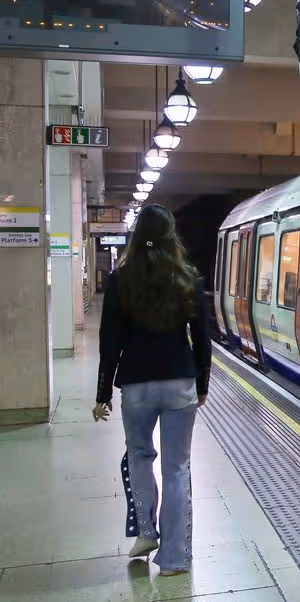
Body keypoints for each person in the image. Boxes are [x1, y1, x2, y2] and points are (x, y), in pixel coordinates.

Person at [92, 204, 211, 577]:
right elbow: (202, 339)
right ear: (170, 235)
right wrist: (202, 383)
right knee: (177, 469)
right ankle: (175, 559)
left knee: (139, 456)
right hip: (179, 382)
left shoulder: (121, 279)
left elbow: (109, 340)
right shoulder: (187, 277)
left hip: (137, 386)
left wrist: (102, 393)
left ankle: (146, 532)